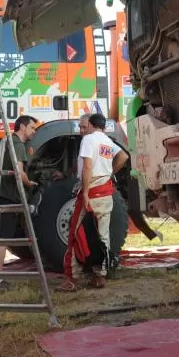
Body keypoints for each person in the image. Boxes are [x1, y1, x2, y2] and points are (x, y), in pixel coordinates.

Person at [59, 113, 128, 291]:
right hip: (106, 192)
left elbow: (88, 167)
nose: (81, 130)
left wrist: (86, 192)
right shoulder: (107, 141)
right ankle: (100, 275)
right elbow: (123, 157)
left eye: (83, 126)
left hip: (92, 192)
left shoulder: (89, 140)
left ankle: (71, 278)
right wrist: (110, 173)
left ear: (91, 125)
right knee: (102, 235)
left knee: (75, 234)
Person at [0, 115, 39, 286]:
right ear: (22, 127)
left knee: (4, 235)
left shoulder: (5, 141)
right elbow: (19, 172)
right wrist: (29, 183)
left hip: (1, 193)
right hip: (10, 195)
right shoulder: (17, 144)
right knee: (4, 237)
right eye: (32, 127)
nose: (34, 131)